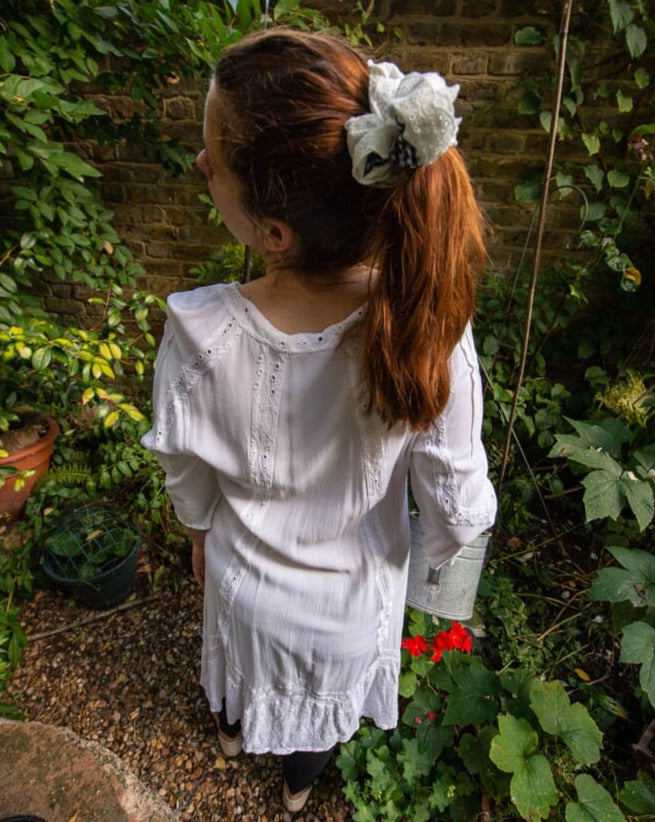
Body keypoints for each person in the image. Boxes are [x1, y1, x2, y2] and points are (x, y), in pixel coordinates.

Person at [142, 28, 497, 814]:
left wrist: (199, 533)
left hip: (241, 587)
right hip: (348, 612)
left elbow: (185, 470)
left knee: (236, 672)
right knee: (316, 725)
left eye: (213, 164)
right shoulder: (426, 332)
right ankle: (299, 788)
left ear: (274, 235)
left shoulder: (201, 333)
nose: (201, 166)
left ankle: (233, 732)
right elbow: (458, 506)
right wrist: (440, 583)